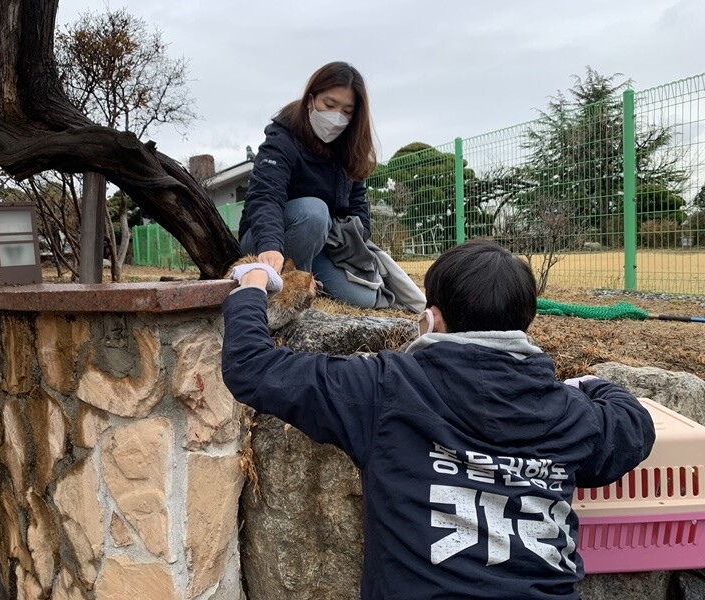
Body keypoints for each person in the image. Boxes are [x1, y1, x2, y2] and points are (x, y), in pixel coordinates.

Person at [221, 239, 656, 600]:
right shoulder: (570, 412)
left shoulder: (385, 388)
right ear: (524, 323)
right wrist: (593, 384)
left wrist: (252, 284)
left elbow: (251, 367)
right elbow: (635, 426)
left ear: (430, 319)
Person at [238, 61, 380, 308]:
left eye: (347, 111)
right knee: (314, 212)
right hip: (267, 239)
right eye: (329, 104)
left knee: (365, 299)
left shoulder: (350, 149)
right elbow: (264, 196)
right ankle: (291, 288)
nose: (337, 117)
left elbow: (359, 208)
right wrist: (270, 244)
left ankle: (305, 278)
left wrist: (357, 241)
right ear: (310, 100)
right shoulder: (282, 138)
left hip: (321, 245)